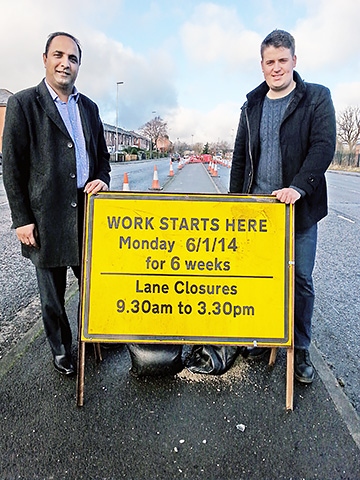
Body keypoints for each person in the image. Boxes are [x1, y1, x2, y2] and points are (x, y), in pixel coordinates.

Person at [229, 29, 336, 383]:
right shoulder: (251, 105)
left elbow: (323, 147)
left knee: (301, 280)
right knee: (260, 281)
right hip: (258, 214)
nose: (276, 68)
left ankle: (300, 348)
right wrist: (234, 207)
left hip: (299, 211)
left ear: (294, 61)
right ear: (262, 65)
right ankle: (263, 337)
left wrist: (297, 188)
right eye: (270, 62)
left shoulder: (316, 98)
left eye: (282, 60)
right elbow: (241, 160)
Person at [3, 32, 110, 376]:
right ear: (45, 58)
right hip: (45, 215)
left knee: (94, 284)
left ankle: (94, 338)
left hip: (86, 212)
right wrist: (21, 218)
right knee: (52, 296)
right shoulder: (23, 104)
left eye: (73, 58)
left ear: (79, 65)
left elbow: (103, 158)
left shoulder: (89, 108)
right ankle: (63, 351)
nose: (66, 63)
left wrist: (102, 178)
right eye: (59, 55)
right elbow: (13, 165)